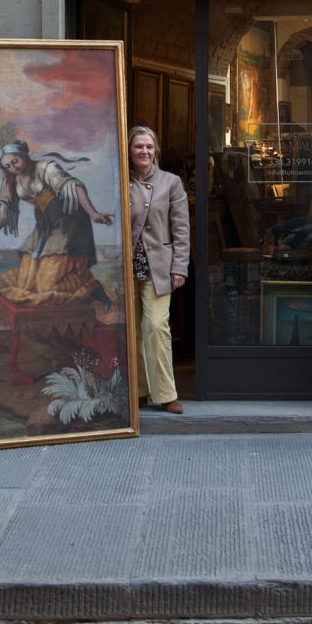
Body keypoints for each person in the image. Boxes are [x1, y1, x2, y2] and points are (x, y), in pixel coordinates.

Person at [0, 118, 113, 308]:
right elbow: (3, 212)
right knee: (28, 280)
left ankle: (94, 291)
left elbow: (74, 187)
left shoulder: (46, 168)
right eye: (7, 166)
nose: (13, 167)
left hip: (69, 223)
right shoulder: (11, 180)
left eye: (15, 161)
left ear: (24, 155)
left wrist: (93, 213)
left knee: (49, 281)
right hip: (45, 226)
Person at [128, 125, 190, 414]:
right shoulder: (120, 180)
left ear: (156, 151)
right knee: (133, 331)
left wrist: (180, 267)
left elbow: (181, 228)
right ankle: (140, 390)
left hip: (159, 268)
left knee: (155, 326)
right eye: (138, 146)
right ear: (129, 150)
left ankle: (166, 393)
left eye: (149, 147)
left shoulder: (171, 182)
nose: (144, 151)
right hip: (125, 267)